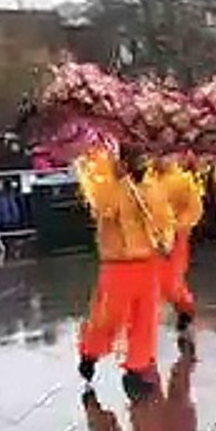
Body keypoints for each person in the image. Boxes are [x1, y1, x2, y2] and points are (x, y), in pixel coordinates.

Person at [75, 146, 176, 400]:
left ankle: (136, 368)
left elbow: (165, 220)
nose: (143, 161)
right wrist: (117, 183)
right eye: (137, 156)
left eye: (145, 156)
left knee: (146, 318)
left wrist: (166, 240)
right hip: (117, 264)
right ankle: (90, 352)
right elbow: (103, 210)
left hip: (147, 262)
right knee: (109, 319)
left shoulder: (153, 188)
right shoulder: (107, 183)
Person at [147, 155, 204, 332]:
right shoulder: (146, 180)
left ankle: (186, 309)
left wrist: (178, 226)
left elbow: (194, 209)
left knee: (172, 280)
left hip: (177, 238)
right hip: (151, 239)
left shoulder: (183, 181)